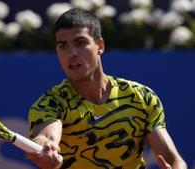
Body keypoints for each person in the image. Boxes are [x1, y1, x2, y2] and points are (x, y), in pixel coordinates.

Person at [25, 8, 187, 169]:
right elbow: (46, 137)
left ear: (99, 46)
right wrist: (46, 147)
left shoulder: (141, 96)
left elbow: (174, 161)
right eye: (63, 46)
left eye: (80, 43)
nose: (71, 53)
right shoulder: (50, 104)